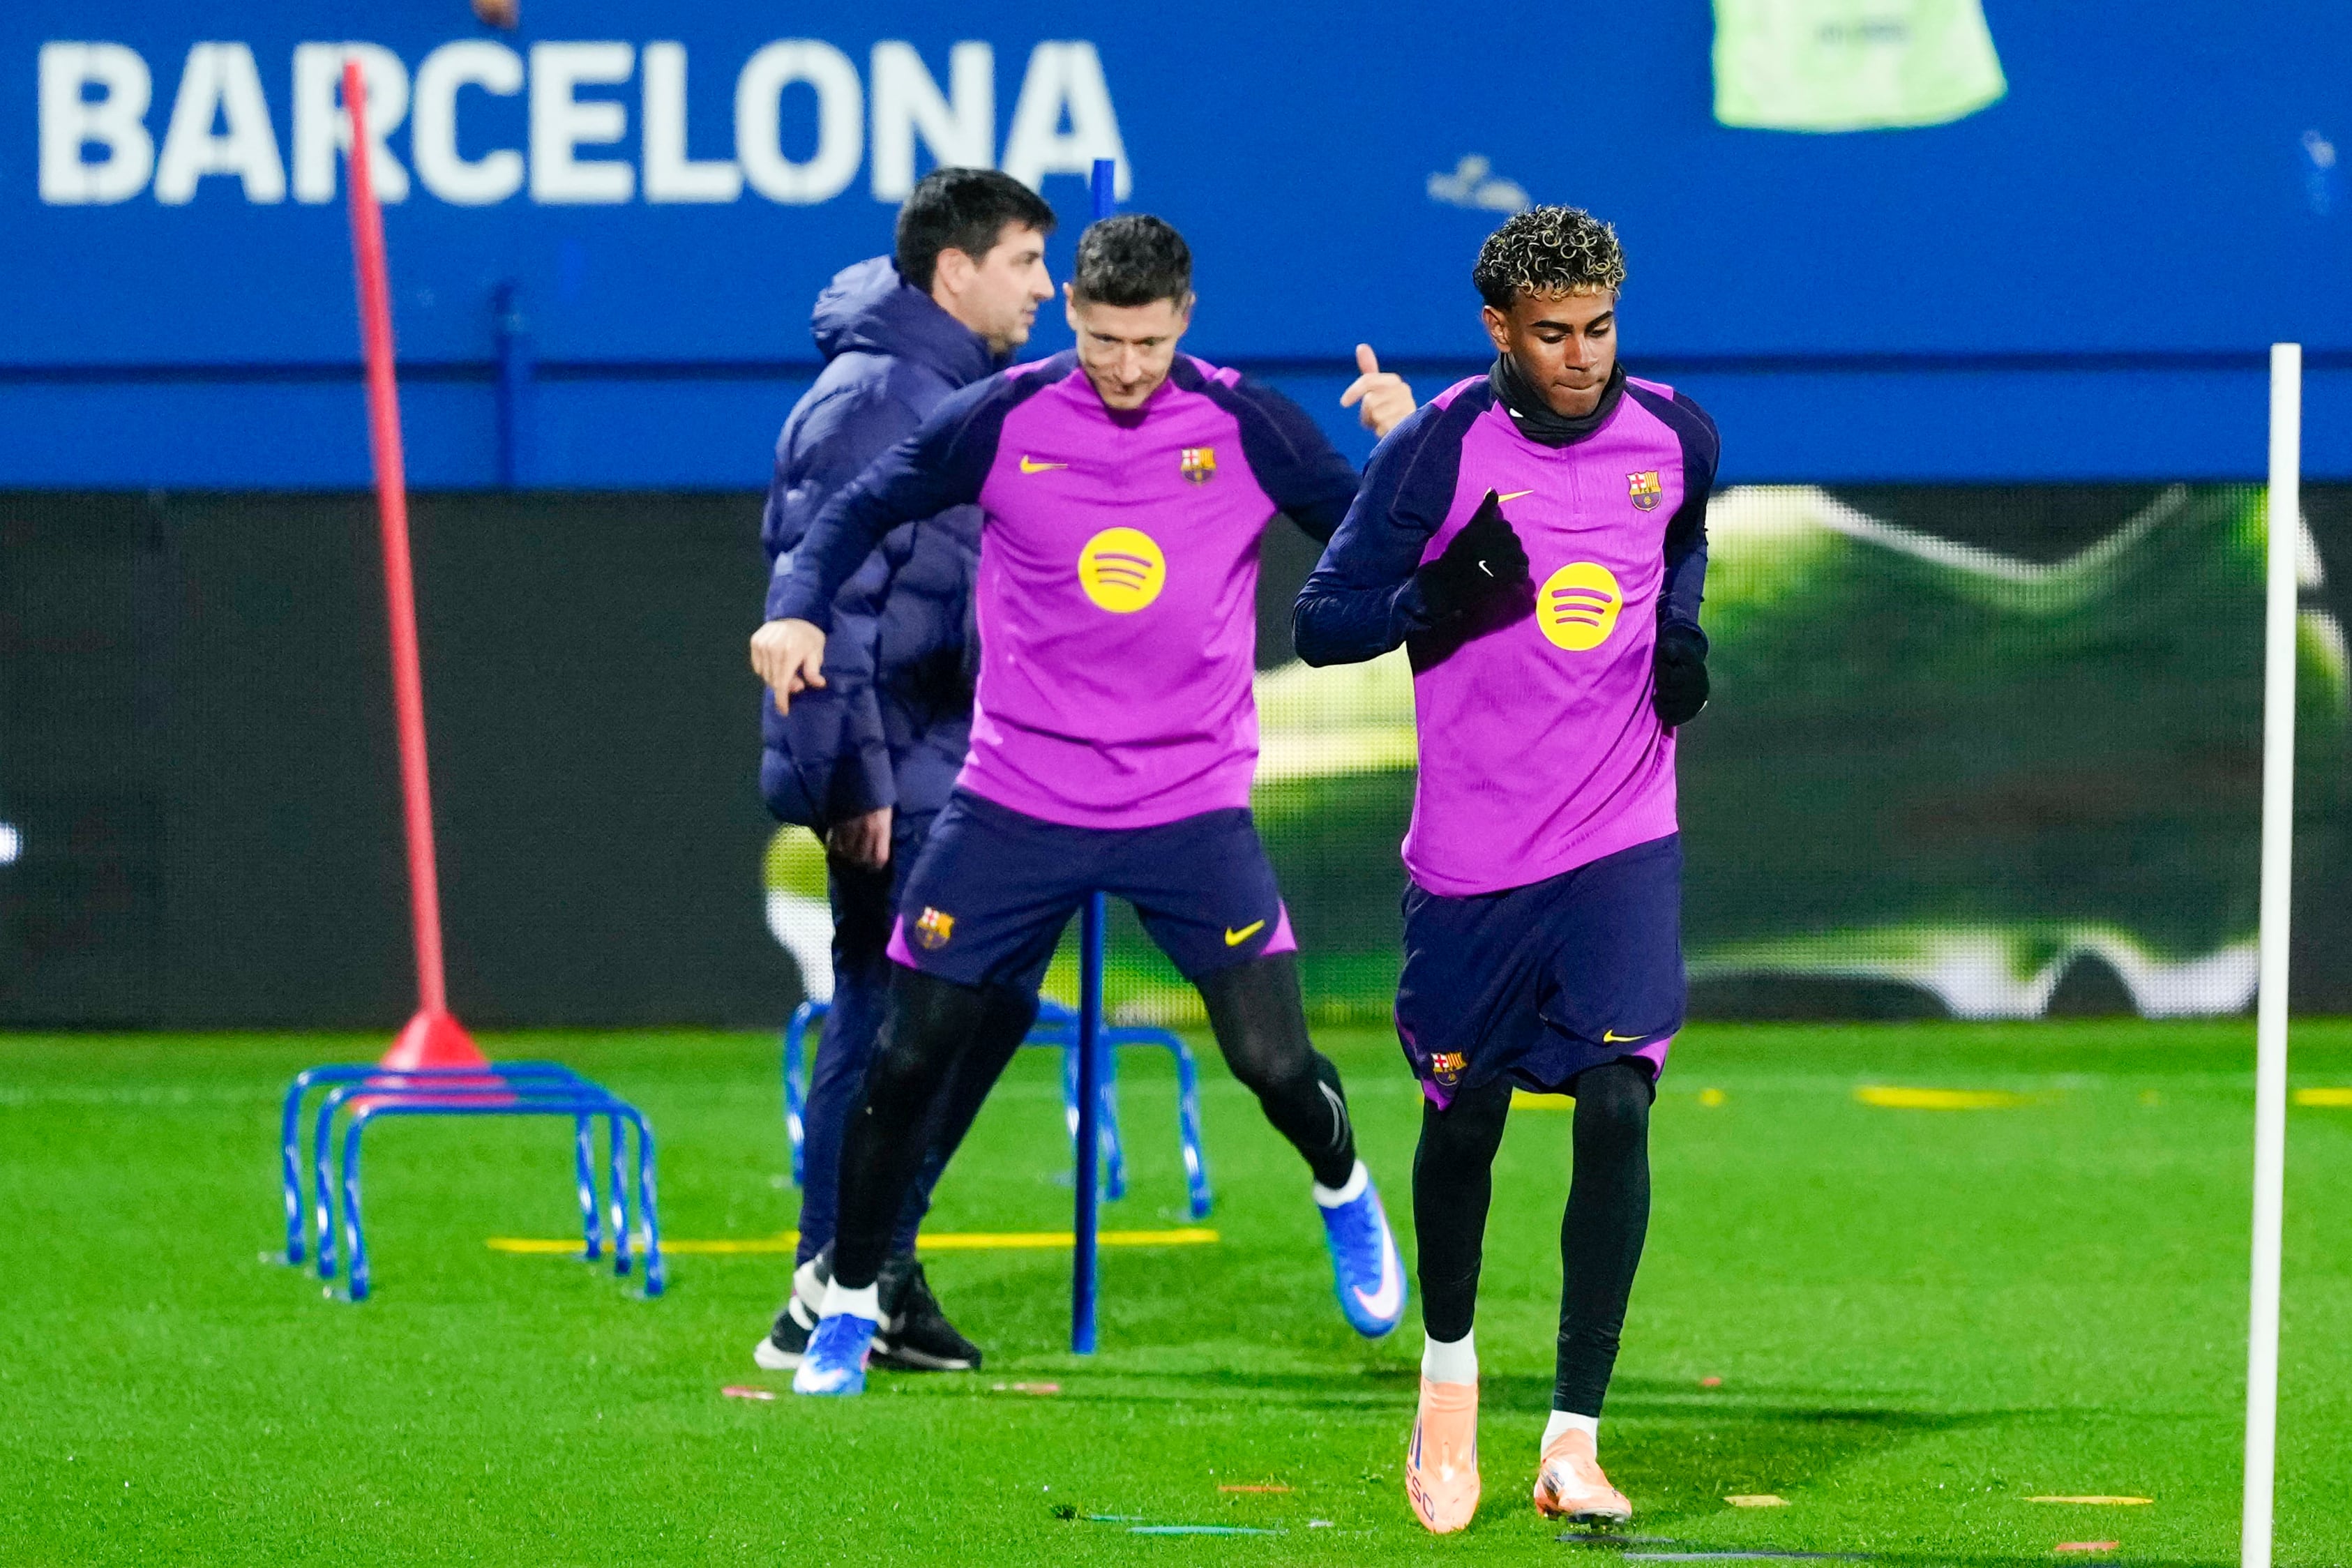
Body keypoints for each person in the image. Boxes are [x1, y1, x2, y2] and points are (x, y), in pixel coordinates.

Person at [753, 213, 1419, 1397]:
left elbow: (1375, 548)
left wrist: (1405, 451)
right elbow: (858, 508)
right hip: (1016, 798)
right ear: (1072, 313)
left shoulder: (1245, 421)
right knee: (905, 1062)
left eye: (1149, 343)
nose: (1125, 367)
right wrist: (799, 605)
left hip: (1188, 804)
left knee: (1274, 1065)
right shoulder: (1006, 415)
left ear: (1186, 320)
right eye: (1105, 339)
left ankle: (1343, 1189)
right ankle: (851, 1301)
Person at [1291, 205, 1717, 1532]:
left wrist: (1685, 633)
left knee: (1617, 1105)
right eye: (1553, 335)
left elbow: (1681, 538)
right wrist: (1434, 601)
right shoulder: (1436, 450)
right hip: (1476, 858)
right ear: (1500, 332)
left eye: (1598, 328)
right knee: (1463, 1123)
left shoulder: (1677, 434)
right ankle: (1451, 1378)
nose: (1581, 357)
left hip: (1621, 832)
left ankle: (1575, 1437)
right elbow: (1320, 624)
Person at [751, 167, 1057, 1375]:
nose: (1047, 286)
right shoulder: (879, 399)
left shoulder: (958, 389)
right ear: (956, 271)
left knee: (985, 1002)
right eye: (1028, 262)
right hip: (900, 774)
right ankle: (829, 1286)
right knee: (889, 1020)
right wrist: (854, 782)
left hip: (963, 762)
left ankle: (874, 1266)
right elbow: (819, 605)